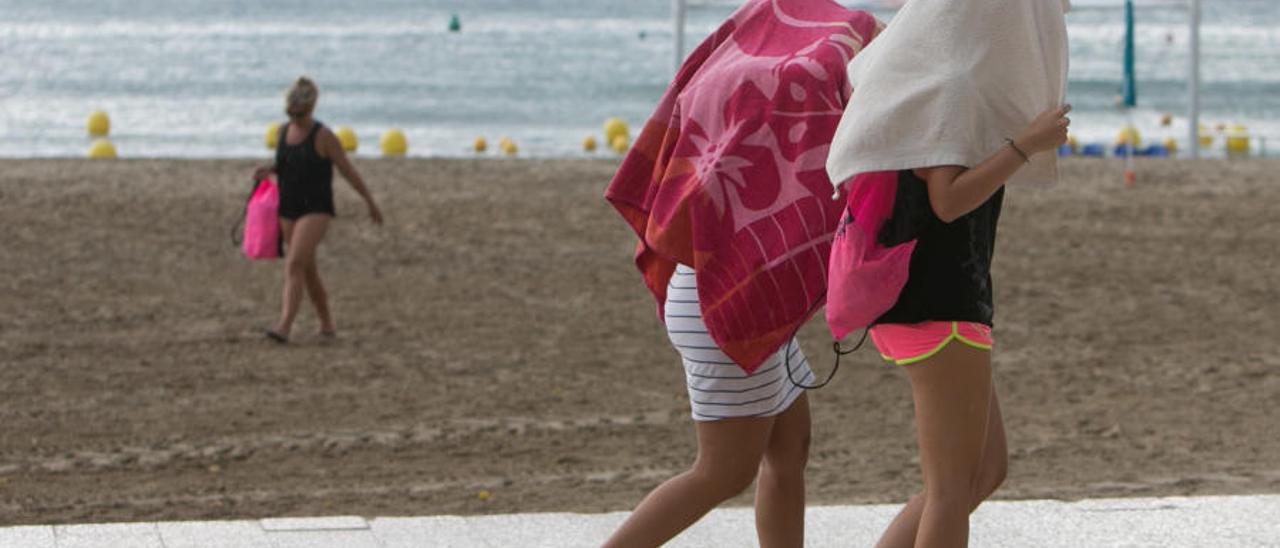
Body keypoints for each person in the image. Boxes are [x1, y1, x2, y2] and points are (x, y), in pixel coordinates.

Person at [602, 2, 882, 546]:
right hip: (722, 300)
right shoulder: (798, 80)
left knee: (790, 445)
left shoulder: (752, 74)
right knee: (722, 472)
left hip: (724, 289)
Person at [824, 1, 1072, 546]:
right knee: (952, 490)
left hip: (919, 298)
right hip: (939, 298)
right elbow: (948, 200)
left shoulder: (923, 68)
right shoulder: (952, 83)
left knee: (984, 471)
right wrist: (1026, 145)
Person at [254, 77, 383, 343]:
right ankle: (327, 325)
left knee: (294, 263)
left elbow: (347, 171)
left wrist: (369, 201)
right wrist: (269, 170)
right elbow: (287, 164)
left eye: (300, 114)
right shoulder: (281, 132)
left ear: (311, 108)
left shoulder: (324, 136)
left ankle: (284, 327)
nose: (295, 118)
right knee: (307, 269)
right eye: (290, 113)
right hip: (288, 207)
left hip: (316, 208)